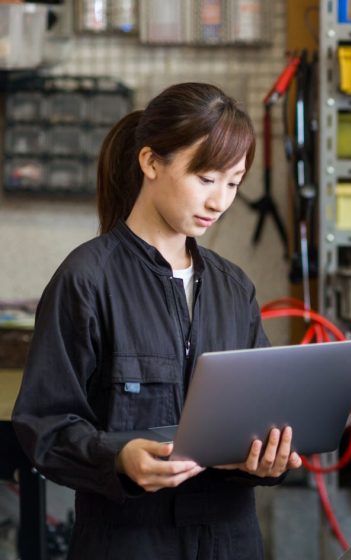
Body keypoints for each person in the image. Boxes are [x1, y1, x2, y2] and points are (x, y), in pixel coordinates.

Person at [13, 82, 302, 559]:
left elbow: (262, 412)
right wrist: (118, 458)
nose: (220, 202)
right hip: (129, 542)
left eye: (233, 183)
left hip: (229, 541)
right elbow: (44, 425)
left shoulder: (234, 289)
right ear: (151, 162)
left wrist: (270, 459)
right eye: (206, 179)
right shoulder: (87, 280)